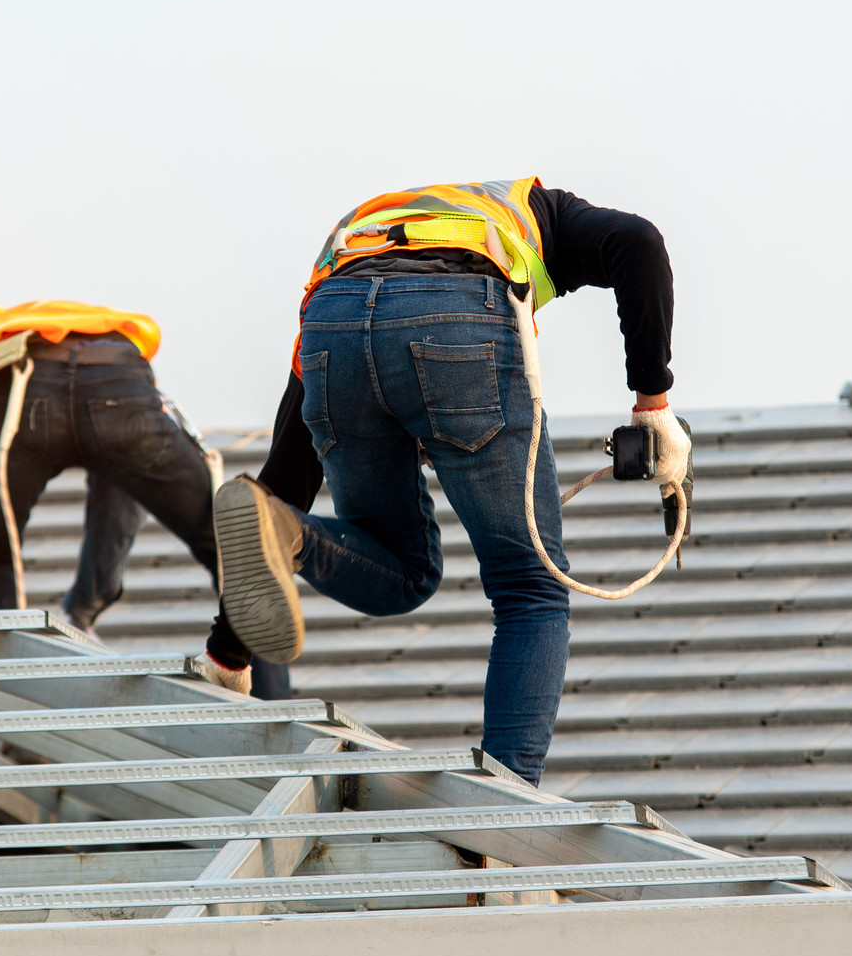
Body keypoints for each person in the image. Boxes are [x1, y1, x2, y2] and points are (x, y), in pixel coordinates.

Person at [202, 180, 689, 783]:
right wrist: (653, 405)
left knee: (402, 570)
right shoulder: (545, 214)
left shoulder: (366, 239)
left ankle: (290, 538)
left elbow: (288, 466)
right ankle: (502, 807)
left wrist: (228, 650)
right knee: (530, 590)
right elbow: (638, 243)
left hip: (334, 317)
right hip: (458, 312)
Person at [0, 291, 284, 695]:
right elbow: (121, 492)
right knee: (238, 554)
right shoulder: (37, 322)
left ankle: (10, 707)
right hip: (121, 377)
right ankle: (274, 704)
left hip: (31, 391)